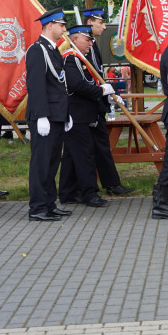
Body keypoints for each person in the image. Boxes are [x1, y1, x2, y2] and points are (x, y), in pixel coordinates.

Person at [58, 24, 116, 208]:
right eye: (87, 39)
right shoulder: (70, 59)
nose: (91, 43)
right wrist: (100, 90)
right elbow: (76, 85)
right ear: (74, 39)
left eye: (91, 40)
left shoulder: (81, 58)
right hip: (77, 114)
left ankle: (67, 192)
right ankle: (90, 193)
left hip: (83, 114)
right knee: (85, 155)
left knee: (71, 155)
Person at [81, 7, 135, 197]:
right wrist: (103, 92)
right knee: (83, 151)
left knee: (102, 146)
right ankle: (78, 189)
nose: (104, 27)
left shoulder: (93, 45)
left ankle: (112, 183)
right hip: (86, 105)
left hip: (97, 101)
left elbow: (97, 74)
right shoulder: (81, 47)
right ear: (90, 23)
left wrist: (109, 94)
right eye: (101, 23)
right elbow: (86, 79)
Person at [25, 8, 73, 222]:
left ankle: (49, 203)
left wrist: (66, 114)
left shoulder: (53, 50)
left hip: (56, 115)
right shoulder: (37, 50)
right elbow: (36, 86)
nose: (64, 29)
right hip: (44, 116)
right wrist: (41, 115)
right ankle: (37, 207)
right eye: (61, 25)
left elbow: (59, 85)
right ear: (49, 25)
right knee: (41, 163)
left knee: (52, 163)